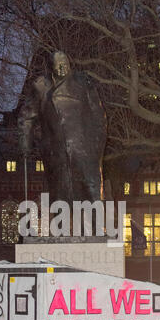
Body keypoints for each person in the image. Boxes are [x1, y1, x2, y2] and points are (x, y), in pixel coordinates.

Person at [18, 51, 107, 205]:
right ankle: (62, 227)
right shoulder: (41, 86)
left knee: (92, 195)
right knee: (60, 198)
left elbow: (99, 117)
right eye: (58, 65)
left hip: (84, 151)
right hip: (56, 152)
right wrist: (25, 140)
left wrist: (96, 146)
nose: (62, 68)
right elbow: (26, 117)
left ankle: (96, 228)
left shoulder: (83, 83)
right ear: (51, 67)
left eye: (65, 64)